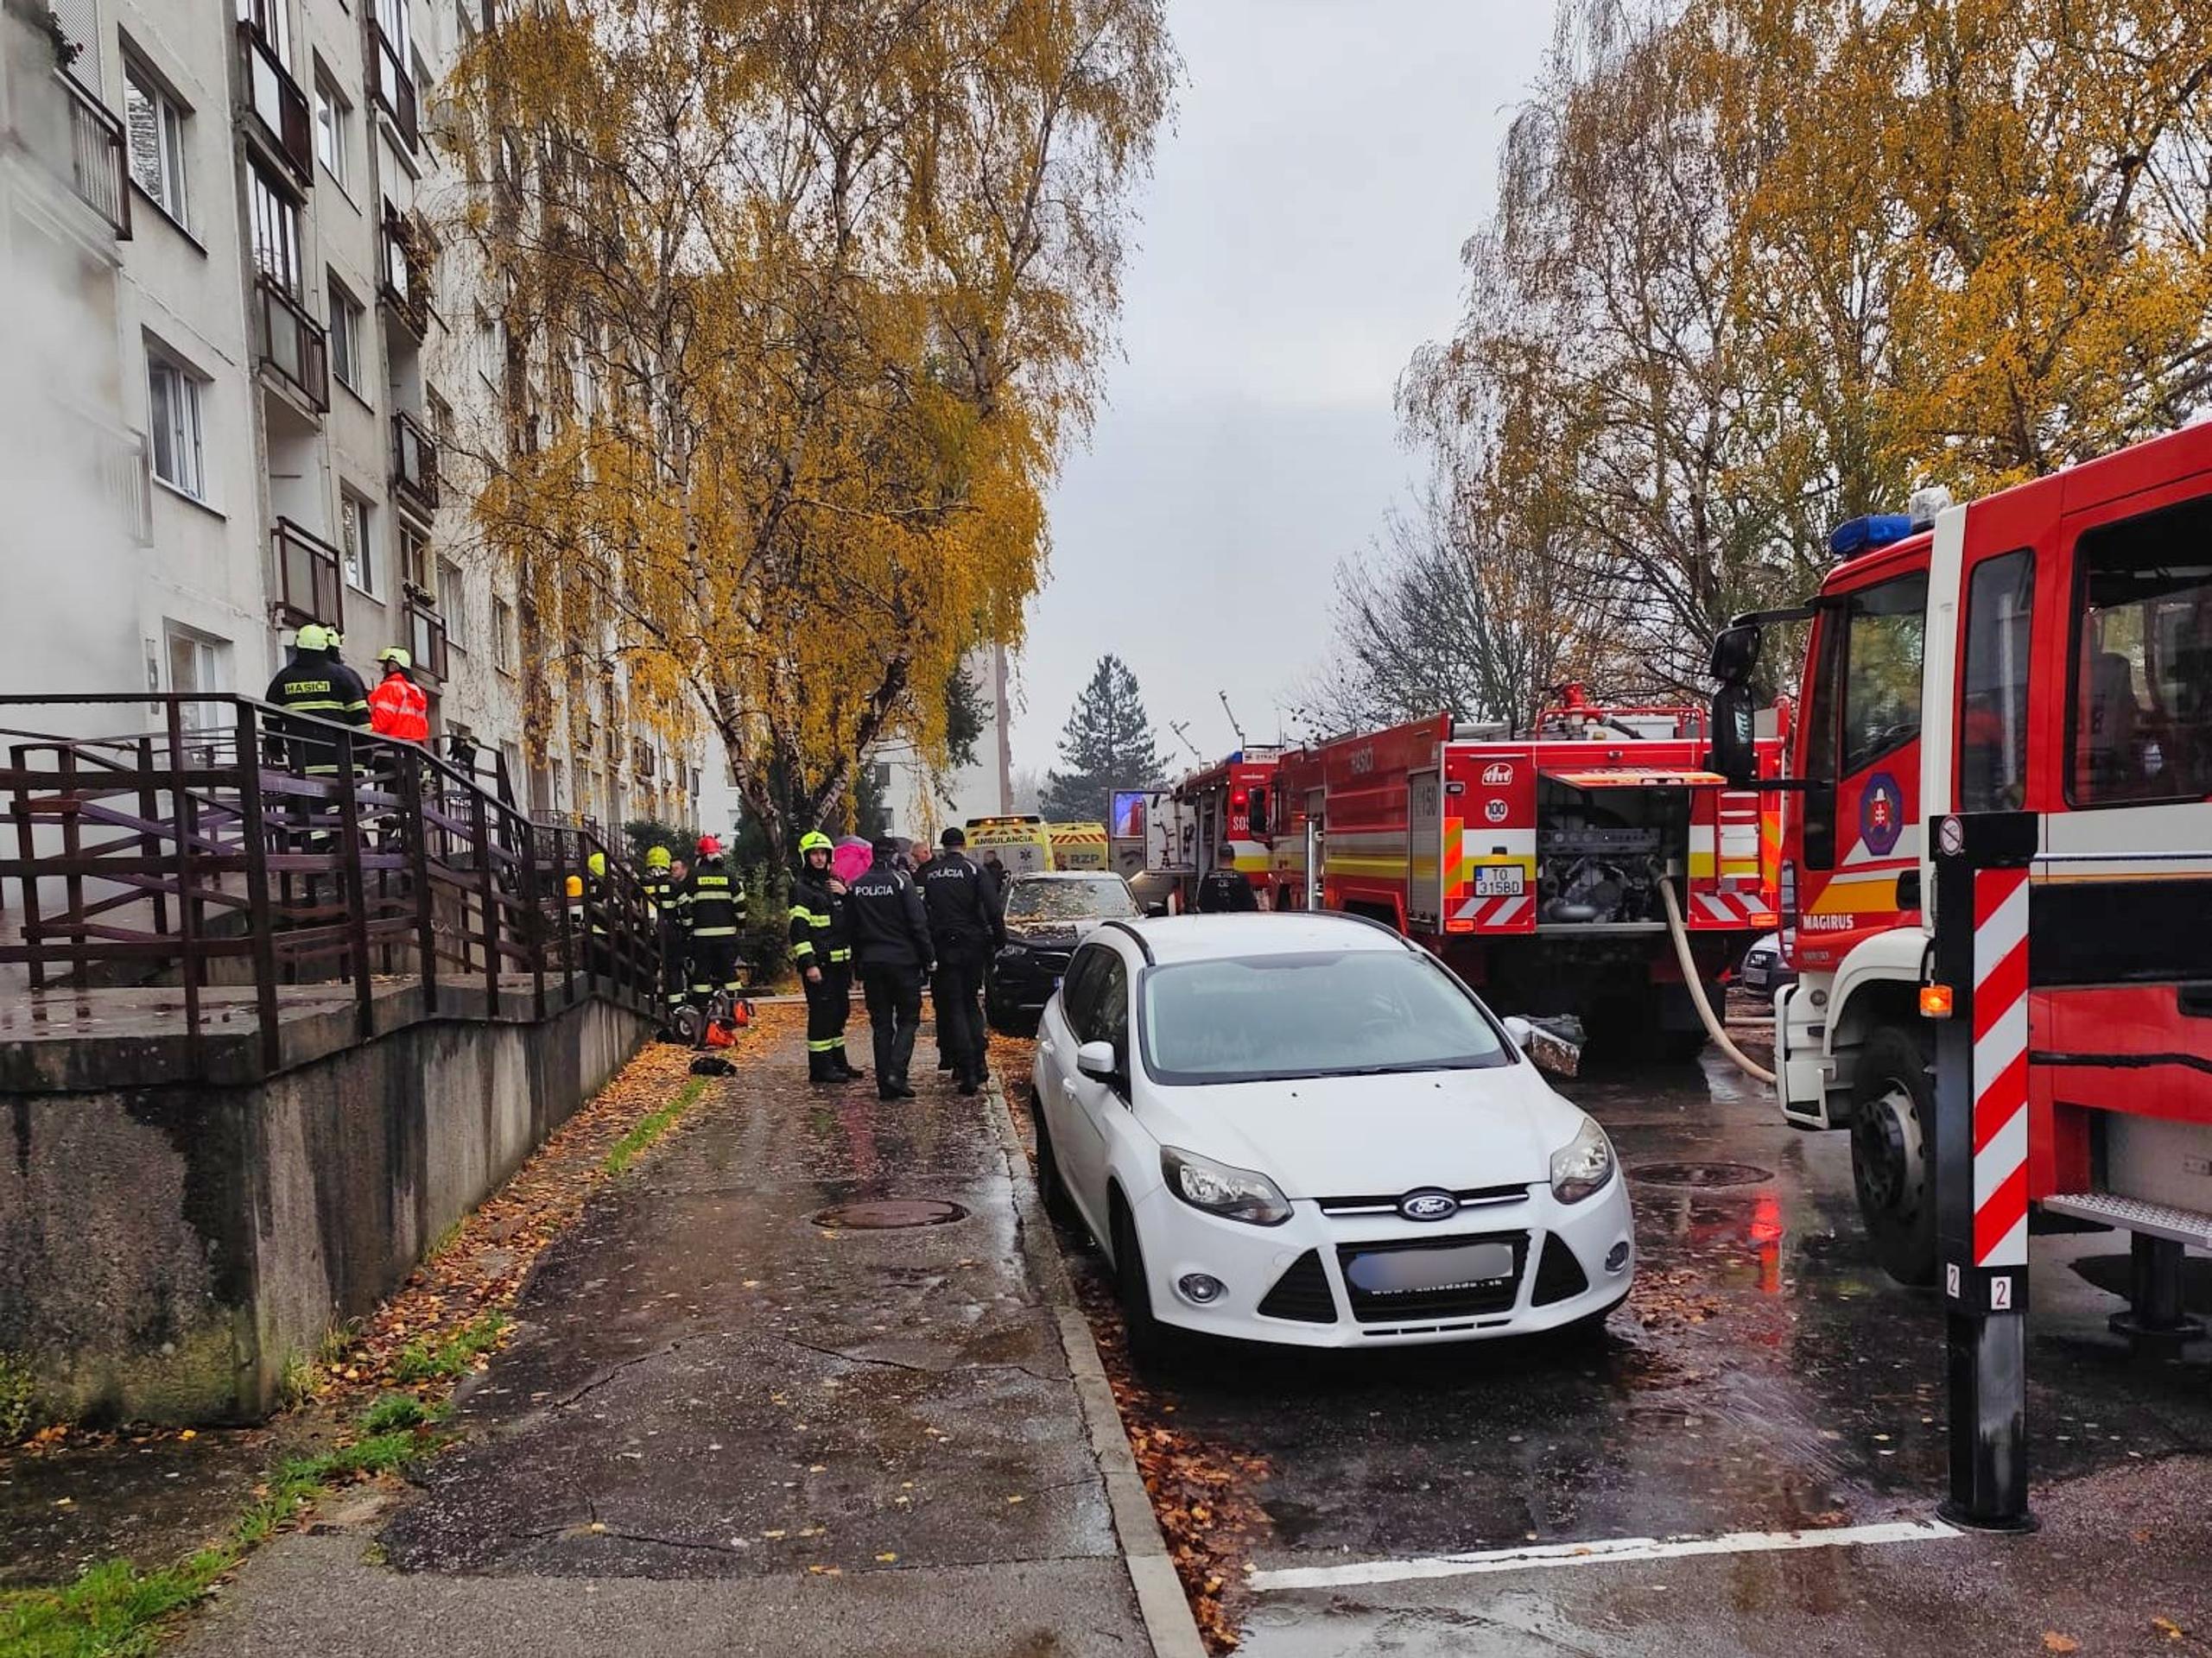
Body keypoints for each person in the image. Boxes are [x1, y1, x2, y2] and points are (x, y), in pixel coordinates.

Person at [846, 837, 933, 1100]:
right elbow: (918, 923)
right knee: (909, 1019)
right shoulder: (901, 882)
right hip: (903, 962)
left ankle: (885, 1084)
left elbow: (852, 929)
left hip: (872, 963)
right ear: (895, 855)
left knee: (881, 1024)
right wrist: (928, 957)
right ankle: (896, 1072)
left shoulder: (858, 886)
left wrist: (857, 966)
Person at [920, 826, 1004, 1095]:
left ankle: (964, 1066)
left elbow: (924, 913)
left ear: (943, 847)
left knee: (953, 1005)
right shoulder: (974, 870)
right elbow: (993, 909)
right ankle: (978, 1063)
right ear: (963, 845)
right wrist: (999, 941)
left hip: (944, 946)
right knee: (971, 1003)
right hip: (972, 945)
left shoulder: (931, 873)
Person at [789, 830, 861, 1083]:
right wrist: (809, 964)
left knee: (840, 1012)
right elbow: (798, 931)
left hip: (840, 964)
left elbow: (851, 921)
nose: (819, 859)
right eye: (814, 854)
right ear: (806, 857)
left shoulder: (835, 885)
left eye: (823, 854)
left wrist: (846, 894)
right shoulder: (802, 889)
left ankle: (838, 1062)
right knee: (821, 1015)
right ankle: (820, 1068)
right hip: (819, 964)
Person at [263, 623, 369, 778]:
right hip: (343, 764)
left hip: (303, 764)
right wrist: (365, 753)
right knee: (346, 803)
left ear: (298, 645)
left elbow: (271, 720)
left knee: (306, 802)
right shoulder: (343, 676)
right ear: (325, 645)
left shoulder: (283, 679)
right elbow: (361, 720)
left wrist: (276, 750)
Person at [683, 834, 745, 1022]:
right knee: (729, 974)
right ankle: (735, 1010)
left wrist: (687, 927)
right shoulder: (729, 877)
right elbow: (741, 906)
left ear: (701, 855)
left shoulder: (693, 876)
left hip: (702, 938)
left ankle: (704, 1011)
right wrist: (741, 926)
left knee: (702, 975)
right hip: (727, 937)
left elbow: (686, 905)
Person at [640, 844, 688, 1022]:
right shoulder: (674, 885)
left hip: (647, 935)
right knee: (673, 969)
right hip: (671, 933)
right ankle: (676, 1008)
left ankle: (649, 1003)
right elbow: (686, 912)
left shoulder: (641, 883)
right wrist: (687, 931)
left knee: (649, 967)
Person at [367, 647, 429, 744]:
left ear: (393, 665)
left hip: (390, 745)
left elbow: (382, 720)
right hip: (415, 748)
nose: (383, 668)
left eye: (385, 664)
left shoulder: (391, 687)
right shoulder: (417, 691)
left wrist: (364, 735)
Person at [1195, 847, 1258, 913]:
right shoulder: (1241, 878)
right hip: (1237, 920)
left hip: (1213, 920)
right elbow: (1250, 905)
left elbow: (1201, 903)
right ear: (1233, 858)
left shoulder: (1209, 877)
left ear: (1219, 857)